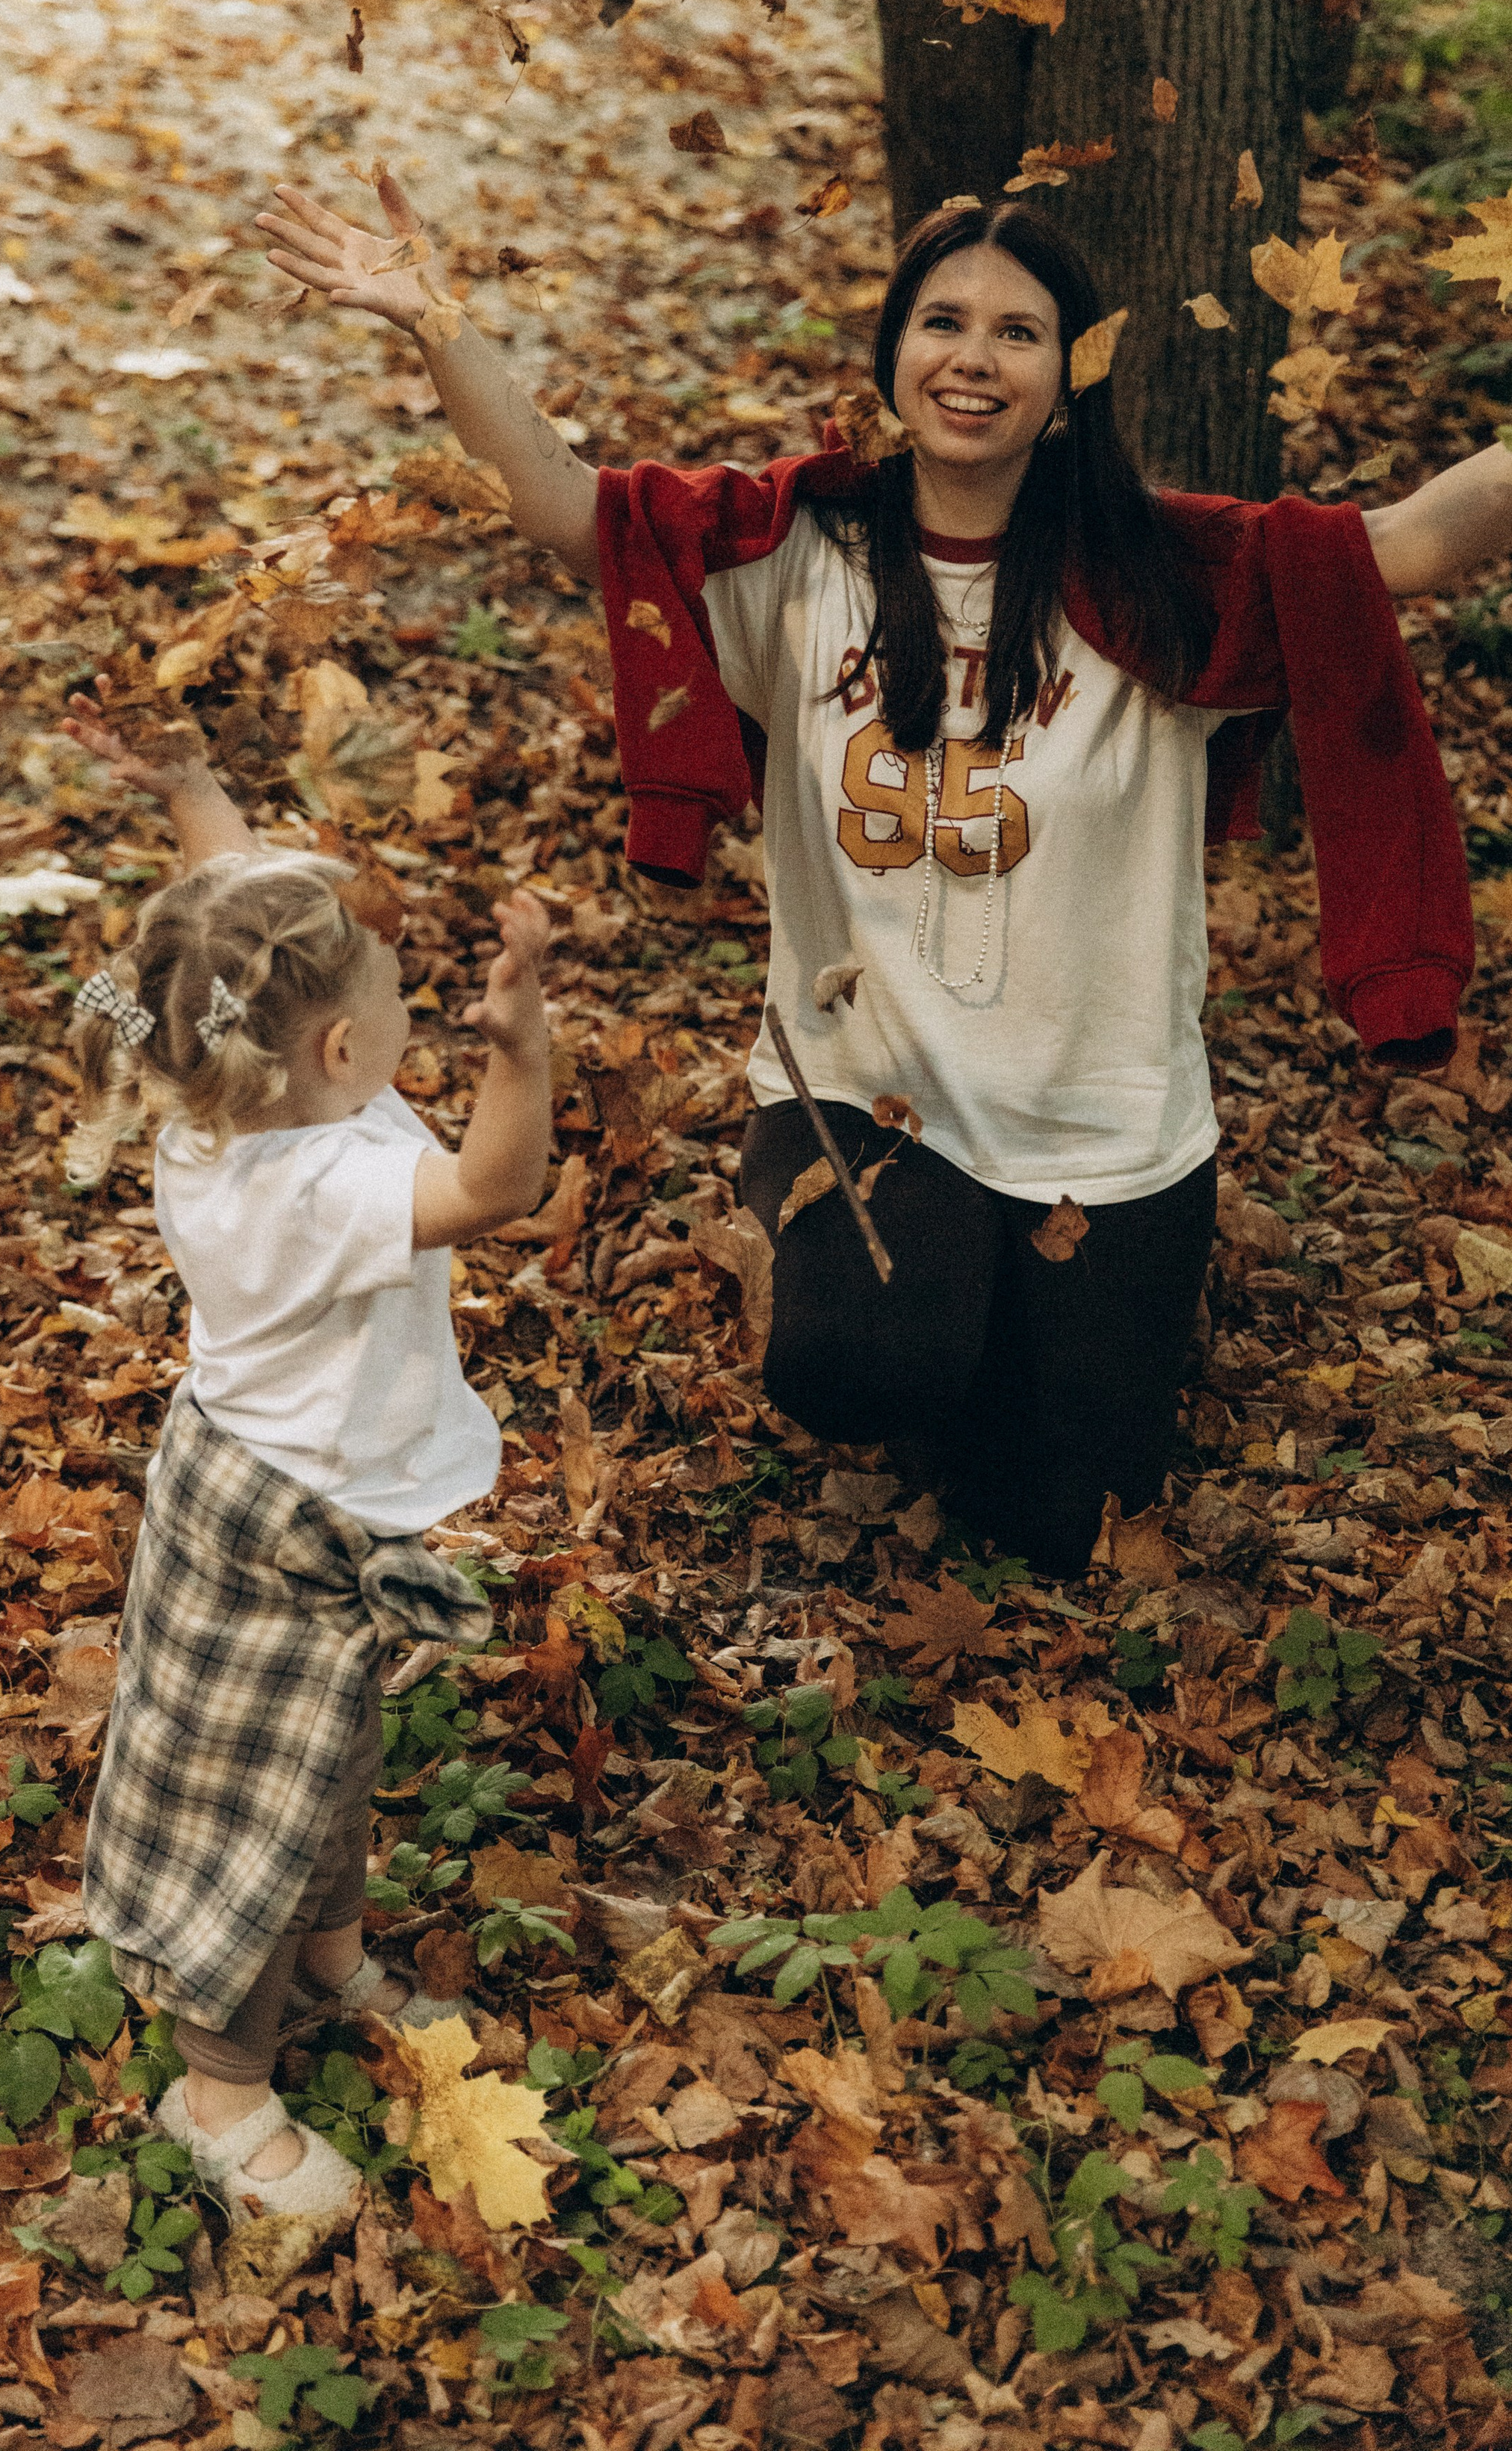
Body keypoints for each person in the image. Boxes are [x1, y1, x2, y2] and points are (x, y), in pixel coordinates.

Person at [258, 173, 1497, 1578]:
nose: (974, 358)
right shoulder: (796, 553)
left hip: (1107, 1122)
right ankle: (926, 1306)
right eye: (943, 322)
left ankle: (1036, 1320)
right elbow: (561, 502)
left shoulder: (1163, 576)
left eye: (1019, 332)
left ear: (1071, 377)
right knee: (857, 1368)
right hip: (864, 1091)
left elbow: (1403, 546)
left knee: (1061, 1526)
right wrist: (432, 317)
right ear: (894, 356)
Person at [67, 697, 552, 2214]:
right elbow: (494, 1187)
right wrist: (518, 1043)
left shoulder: (228, 1095)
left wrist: (197, 790)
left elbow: (242, 925)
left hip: (265, 1487)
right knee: (249, 1809)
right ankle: (217, 2094)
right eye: (402, 1002)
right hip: (283, 1524)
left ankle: (330, 1962)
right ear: (346, 1044)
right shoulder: (328, 1182)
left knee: (328, 1763)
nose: (411, 1018)